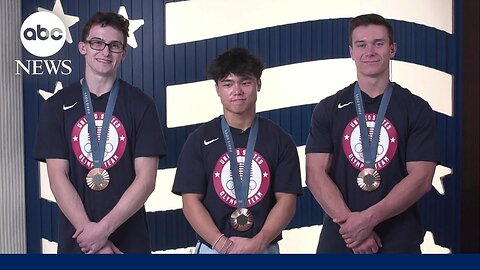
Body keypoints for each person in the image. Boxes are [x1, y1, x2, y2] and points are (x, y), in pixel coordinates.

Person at [33, 12, 167, 254]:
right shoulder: (57, 105)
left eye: (115, 45)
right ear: (82, 47)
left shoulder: (141, 104)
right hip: (78, 241)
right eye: (97, 43)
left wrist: (102, 230)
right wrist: (92, 237)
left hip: (129, 243)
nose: (105, 52)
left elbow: (146, 180)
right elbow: (57, 177)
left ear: (123, 53)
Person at [305, 13, 439, 254]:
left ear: (392, 49)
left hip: (399, 238)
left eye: (378, 43)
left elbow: (421, 179)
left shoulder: (416, 108)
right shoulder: (328, 108)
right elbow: (315, 175)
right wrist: (352, 227)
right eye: (361, 44)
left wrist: (367, 220)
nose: (370, 51)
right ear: (351, 52)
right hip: (341, 238)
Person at [172, 48, 303, 254]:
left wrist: (258, 243)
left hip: (263, 248)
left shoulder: (280, 140)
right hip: (213, 249)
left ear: (258, 84)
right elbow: (190, 202)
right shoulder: (198, 140)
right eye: (227, 84)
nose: (237, 90)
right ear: (217, 89)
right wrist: (222, 245)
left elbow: (286, 201)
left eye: (245, 82)